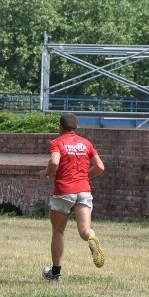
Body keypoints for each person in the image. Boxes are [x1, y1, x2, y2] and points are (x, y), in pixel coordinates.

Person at [39, 112, 105, 281]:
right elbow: (100, 167)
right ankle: (92, 238)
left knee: (58, 231)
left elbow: (54, 162)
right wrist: (84, 177)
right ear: (77, 128)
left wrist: (46, 173)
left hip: (64, 191)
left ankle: (55, 273)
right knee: (84, 230)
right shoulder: (86, 143)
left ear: (60, 127)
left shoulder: (57, 142)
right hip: (83, 190)